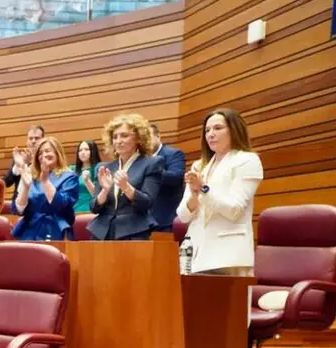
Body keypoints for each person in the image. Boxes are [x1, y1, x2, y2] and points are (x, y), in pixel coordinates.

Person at [177, 108, 263, 275]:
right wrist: (194, 195)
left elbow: (234, 209)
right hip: (195, 253)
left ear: (233, 130)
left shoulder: (247, 160)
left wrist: (203, 189)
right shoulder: (199, 166)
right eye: (207, 130)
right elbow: (183, 215)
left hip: (228, 254)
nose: (210, 134)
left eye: (218, 128)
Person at [90, 113, 163, 241]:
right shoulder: (104, 167)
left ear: (139, 138)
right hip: (103, 232)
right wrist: (105, 191)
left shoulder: (152, 163)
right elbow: (94, 207)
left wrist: (126, 187)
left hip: (134, 231)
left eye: (124, 135)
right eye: (115, 137)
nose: (118, 141)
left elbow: (147, 203)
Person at [11, 137, 79, 241]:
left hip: (55, 230)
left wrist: (45, 181)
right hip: (30, 231)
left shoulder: (69, 177)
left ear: (57, 153)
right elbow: (18, 209)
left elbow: (61, 204)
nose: (43, 155)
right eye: (40, 153)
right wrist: (25, 186)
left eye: (47, 151)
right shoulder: (32, 176)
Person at [148, 122, 187, 232]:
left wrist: (150, 168)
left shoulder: (174, 154)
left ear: (158, 136)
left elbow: (176, 178)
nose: (145, 141)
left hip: (165, 220)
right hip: (142, 223)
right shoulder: (138, 159)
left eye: (148, 136)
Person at [4, 124, 46, 201]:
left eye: (37, 138)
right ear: (27, 141)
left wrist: (30, 164)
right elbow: (7, 182)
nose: (33, 141)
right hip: (19, 203)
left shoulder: (47, 158)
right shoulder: (19, 157)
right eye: (30, 138)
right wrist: (18, 166)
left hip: (40, 202)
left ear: (43, 140)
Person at [72, 140, 102, 214]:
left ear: (93, 151)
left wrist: (87, 181)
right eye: (80, 150)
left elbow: (98, 195)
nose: (83, 152)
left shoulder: (99, 168)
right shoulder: (72, 170)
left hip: (91, 210)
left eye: (86, 149)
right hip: (74, 211)